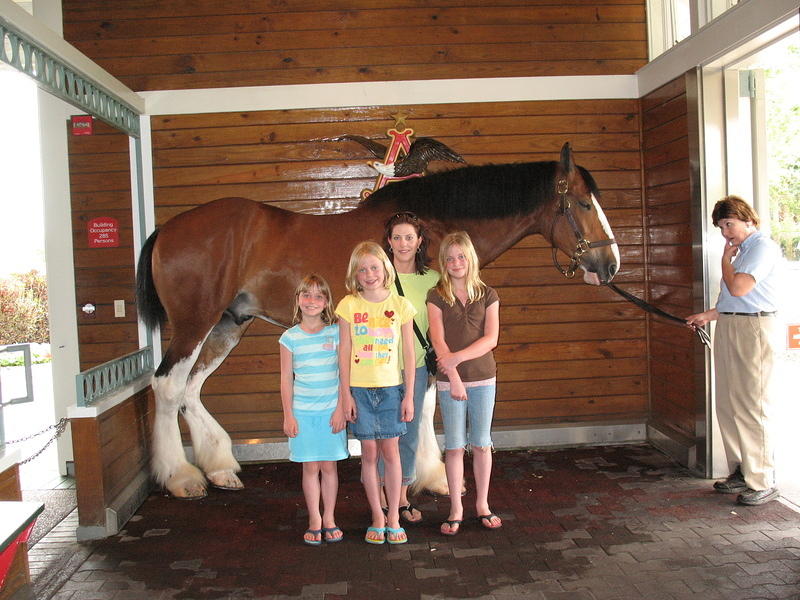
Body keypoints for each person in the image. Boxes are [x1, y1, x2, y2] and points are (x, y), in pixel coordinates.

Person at [686, 196, 782, 506]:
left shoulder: (761, 247)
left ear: (748, 220)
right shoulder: (742, 250)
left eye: (729, 224)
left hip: (753, 329)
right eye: (721, 227)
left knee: (752, 403)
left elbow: (740, 288)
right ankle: (741, 469)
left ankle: (762, 479)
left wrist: (725, 262)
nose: (726, 232)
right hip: (730, 324)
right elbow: (735, 299)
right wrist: (710, 315)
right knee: (728, 402)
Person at [335, 241, 417, 544]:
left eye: (374, 267)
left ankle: (394, 516)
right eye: (362, 269)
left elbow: (408, 354)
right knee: (368, 453)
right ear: (355, 275)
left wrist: (408, 395)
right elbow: (343, 353)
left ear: (386, 269)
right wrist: (346, 396)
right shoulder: (348, 305)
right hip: (360, 391)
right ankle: (377, 516)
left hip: (391, 390)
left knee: (391, 451)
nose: (369, 274)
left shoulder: (401, 306)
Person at [426, 231, 502, 534]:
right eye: (450, 258)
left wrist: (457, 359)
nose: (456, 262)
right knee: (455, 446)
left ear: (470, 258)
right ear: (444, 263)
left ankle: (482, 504)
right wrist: (454, 376)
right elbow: (438, 340)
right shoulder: (436, 295)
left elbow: (491, 339)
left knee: (482, 444)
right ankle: (456, 507)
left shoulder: (489, 294)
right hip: (450, 384)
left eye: (461, 256)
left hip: (484, 379)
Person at [376, 211, 440, 523]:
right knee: (382, 435)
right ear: (388, 242)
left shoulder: (433, 281)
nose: (403, 243)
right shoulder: (376, 277)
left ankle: (399, 500)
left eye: (409, 237)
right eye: (397, 237)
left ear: (420, 242)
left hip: (414, 370)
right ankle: (379, 502)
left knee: (409, 434)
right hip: (380, 370)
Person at [279, 274, 349, 545]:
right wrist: (289, 414)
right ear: (297, 300)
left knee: (329, 467)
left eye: (318, 296)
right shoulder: (289, 338)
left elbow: (345, 372)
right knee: (310, 468)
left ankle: (329, 517)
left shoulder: (335, 332)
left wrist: (342, 408)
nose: (311, 301)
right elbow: (286, 378)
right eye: (306, 295)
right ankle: (314, 519)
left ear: (327, 302)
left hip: (331, 412)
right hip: (303, 414)